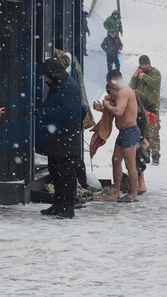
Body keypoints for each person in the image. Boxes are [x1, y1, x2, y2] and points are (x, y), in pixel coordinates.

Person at [35, 58, 84, 219]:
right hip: (58, 140)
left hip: (65, 139)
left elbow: (68, 113)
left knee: (66, 173)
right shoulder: (59, 85)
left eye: (46, 76)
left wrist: (44, 112)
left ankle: (68, 206)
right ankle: (58, 203)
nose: (45, 79)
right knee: (56, 171)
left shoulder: (68, 87)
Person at [93, 70, 140, 202]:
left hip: (130, 131)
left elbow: (118, 112)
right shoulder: (120, 92)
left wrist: (106, 105)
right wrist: (102, 109)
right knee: (116, 161)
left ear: (113, 79)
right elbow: (118, 112)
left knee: (130, 164)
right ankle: (117, 191)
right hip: (123, 132)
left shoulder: (124, 92)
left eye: (108, 81)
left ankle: (133, 193)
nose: (107, 84)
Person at [129, 55, 162, 165]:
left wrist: (145, 76)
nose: (144, 66)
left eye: (145, 64)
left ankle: (156, 155)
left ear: (149, 63)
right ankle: (145, 154)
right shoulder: (139, 74)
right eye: (142, 64)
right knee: (144, 132)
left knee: (153, 133)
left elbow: (156, 84)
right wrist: (135, 76)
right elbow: (130, 88)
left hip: (152, 108)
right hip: (141, 109)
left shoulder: (155, 72)